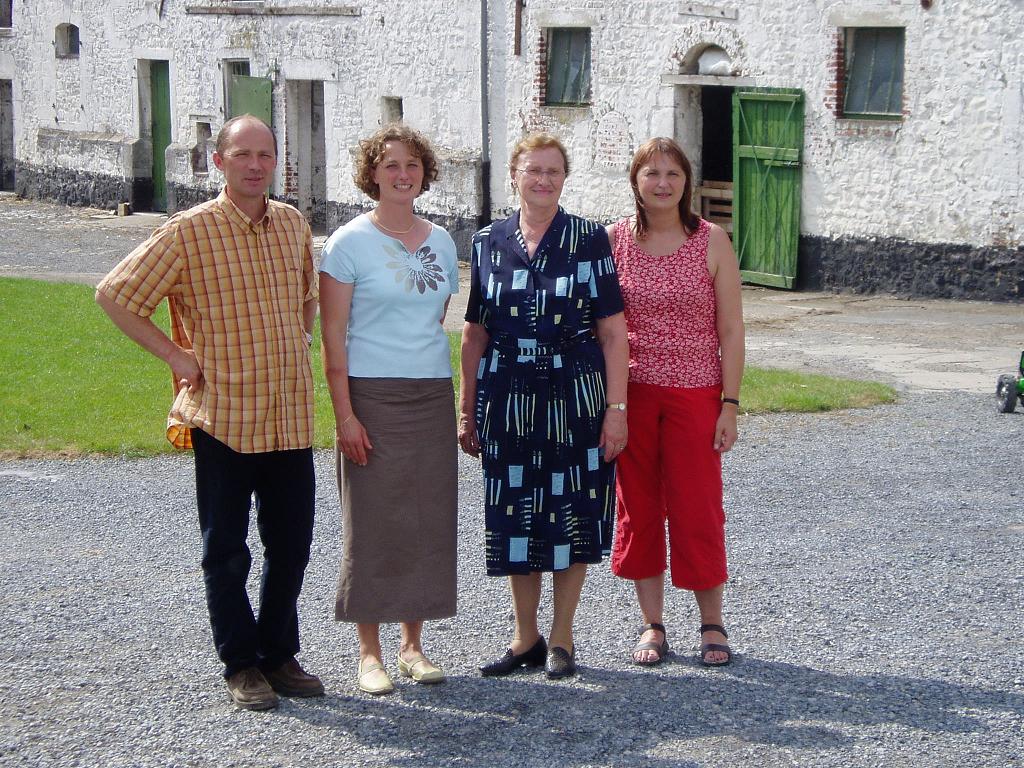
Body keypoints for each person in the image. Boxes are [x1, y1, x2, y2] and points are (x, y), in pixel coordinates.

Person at [95, 114, 323, 710]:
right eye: (242, 154)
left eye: (265, 154)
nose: (255, 165)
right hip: (224, 414)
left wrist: (299, 340)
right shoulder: (188, 232)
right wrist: (177, 356)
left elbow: (308, 297)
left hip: (290, 413)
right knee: (226, 550)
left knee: (292, 545)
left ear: (276, 162)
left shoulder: (293, 225)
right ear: (218, 162)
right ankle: (241, 663)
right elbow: (114, 294)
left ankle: (278, 653)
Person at [459, 132, 629, 680]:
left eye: (553, 171)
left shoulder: (588, 239)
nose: (543, 179)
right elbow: (475, 332)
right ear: (514, 174)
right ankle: (524, 637)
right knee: (515, 512)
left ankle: (562, 637)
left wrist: (617, 409)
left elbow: (613, 332)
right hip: (507, 393)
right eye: (533, 169)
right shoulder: (487, 241)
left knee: (572, 508)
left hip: (575, 393)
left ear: (564, 178)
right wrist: (467, 409)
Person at [319, 124, 459, 696]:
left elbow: (435, 317)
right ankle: (369, 652)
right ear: (372, 174)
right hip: (371, 395)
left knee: (426, 519)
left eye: (412, 165)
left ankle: (412, 646)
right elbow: (333, 339)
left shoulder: (443, 241)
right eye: (391, 165)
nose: (403, 175)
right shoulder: (347, 243)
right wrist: (345, 416)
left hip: (431, 394)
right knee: (374, 520)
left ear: (424, 174)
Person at [607, 137, 744, 667]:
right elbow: (604, 327)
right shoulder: (614, 241)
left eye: (673, 174)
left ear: (686, 182)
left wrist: (730, 404)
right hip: (633, 396)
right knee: (638, 508)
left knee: (698, 508)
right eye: (652, 173)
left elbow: (731, 330)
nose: (662, 183)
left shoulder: (712, 240)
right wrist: (612, 405)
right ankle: (652, 623)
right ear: (635, 182)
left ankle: (712, 622)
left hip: (696, 394)